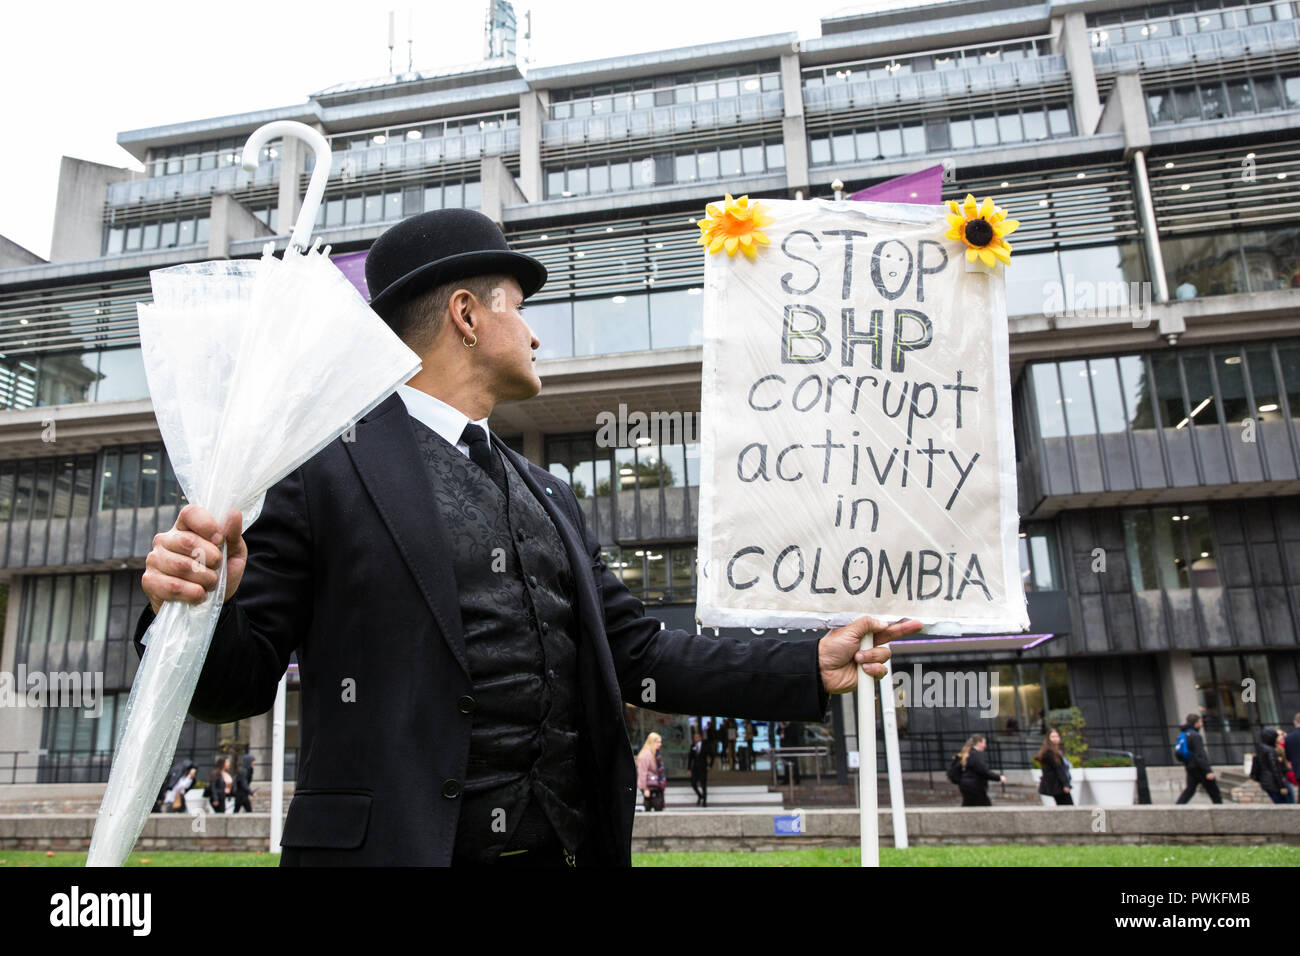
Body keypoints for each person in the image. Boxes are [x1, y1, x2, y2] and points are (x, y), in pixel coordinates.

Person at [134, 208, 920, 866]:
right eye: (520, 306)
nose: (537, 336)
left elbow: (640, 657)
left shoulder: (551, 493)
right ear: (467, 315)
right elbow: (230, 688)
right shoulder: (317, 469)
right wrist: (199, 604)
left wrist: (807, 661)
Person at [1175, 713, 1222, 805]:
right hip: (1199, 767)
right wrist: (1208, 771)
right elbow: (1200, 754)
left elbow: (1178, 754)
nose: (1202, 724)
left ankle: (1177, 807)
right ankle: (1221, 810)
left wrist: (1188, 763)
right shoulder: (1195, 736)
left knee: (1190, 790)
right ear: (1196, 723)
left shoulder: (1184, 734)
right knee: (1214, 791)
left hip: (1190, 766)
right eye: (1200, 722)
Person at [957, 734, 1005, 806]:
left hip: (966, 786)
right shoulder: (974, 755)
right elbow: (984, 771)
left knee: (968, 807)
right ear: (979, 743)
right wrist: (999, 777)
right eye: (984, 743)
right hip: (975, 787)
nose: (985, 745)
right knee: (985, 807)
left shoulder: (967, 754)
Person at [1035, 728, 1072, 805]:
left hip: (1056, 785)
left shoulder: (1055, 751)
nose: (1055, 739)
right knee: (1068, 806)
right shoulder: (1050, 753)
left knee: (1063, 806)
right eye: (1053, 737)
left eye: (1057, 736)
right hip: (1058, 785)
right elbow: (1059, 769)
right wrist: (1065, 784)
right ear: (1048, 739)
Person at [1252, 729, 1290, 804]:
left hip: (1267, 782)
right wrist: (1282, 786)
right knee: (1285, 804)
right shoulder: (1270, 751)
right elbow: (1275, 769)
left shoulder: (1261, 749)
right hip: (1274, 782)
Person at [636, 733, 666, 812]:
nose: (660, 744)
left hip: (655, 785)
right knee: (651, 807)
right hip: (649, 786)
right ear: (652, 742)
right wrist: (645, 789)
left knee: (656, 806)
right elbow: (642, 773)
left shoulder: (655, 754)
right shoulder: (646, 754)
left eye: (660, 742)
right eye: (658, 742)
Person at [688, 729, 708, 807]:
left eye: (697, 737)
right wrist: (689, 768)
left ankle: (704, 801)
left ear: (700, 737)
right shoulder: (693, 746)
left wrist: (709, 765)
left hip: (703, 768)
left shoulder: (705, 745)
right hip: (695, 768)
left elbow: (711, 755)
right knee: (693, 783)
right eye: (694, 737)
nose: (695, 739)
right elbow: (690, 758)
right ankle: (700, 796)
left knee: (703, 785)